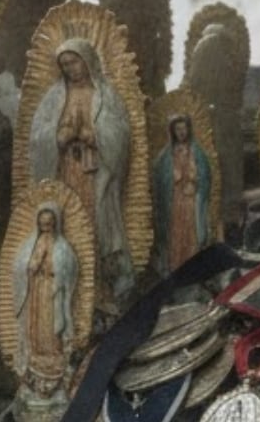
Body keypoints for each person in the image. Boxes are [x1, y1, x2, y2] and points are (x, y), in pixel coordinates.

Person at [28, 39, 135, 300]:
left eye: (74, 62)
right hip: (65, 175)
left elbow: (121, 135)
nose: (70, 69)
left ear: (87, 60)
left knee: (96, 227)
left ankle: (100, 294)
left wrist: (94, 135)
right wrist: (58, 137)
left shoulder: (105, 94)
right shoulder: (53, 98)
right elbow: (37, 137)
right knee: (67, 228)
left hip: (95, 176)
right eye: (64, 65)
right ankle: (70, 295)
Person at [12, 205, 79, 398]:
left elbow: (71, 266)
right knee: (38, 323)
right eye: (43, 225)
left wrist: (60, 275)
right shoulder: (34, 243)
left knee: (52, 324)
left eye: (49, 224)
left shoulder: (63, 246)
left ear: (56, 223)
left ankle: (53, 355)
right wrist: (31, 266)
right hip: (38, 290)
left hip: (53, 289)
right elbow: (25, 265)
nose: (46, 228)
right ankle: (37, 354)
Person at [150, 114, 215, 274]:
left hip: (192, 200)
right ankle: (175, 267)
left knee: (191, 233)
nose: (181, 132)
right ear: (172, 131)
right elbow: (159, 177)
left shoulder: (197, 152)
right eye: (177, 129)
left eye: (183, 128)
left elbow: (205, 175)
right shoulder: (166, 156)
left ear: (189, 129)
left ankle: (193, 267)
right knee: (176, 235)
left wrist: (195, 181)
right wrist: (173, 176)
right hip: (174, 201)